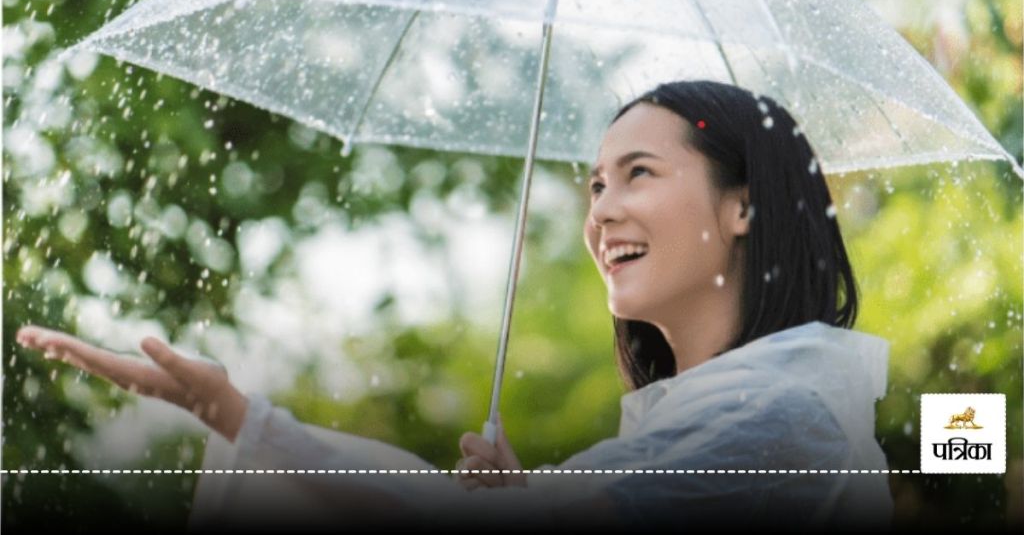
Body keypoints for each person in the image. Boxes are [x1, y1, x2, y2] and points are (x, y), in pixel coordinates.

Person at [17, 80, 895, 532]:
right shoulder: (720, 417)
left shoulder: (783, 421)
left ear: (743, 205)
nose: (601, 211)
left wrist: (232, 411)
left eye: (639, 173)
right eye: (593, 183)